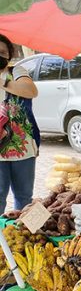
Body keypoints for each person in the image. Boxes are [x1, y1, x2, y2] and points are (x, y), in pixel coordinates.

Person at [0, 34, 39, 214]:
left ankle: (22, 237)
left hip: (22, 148)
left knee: (24, 198)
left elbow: (30, 91)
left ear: (9, 55)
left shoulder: (16, 71)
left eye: (2, 52)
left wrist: (3, 81)